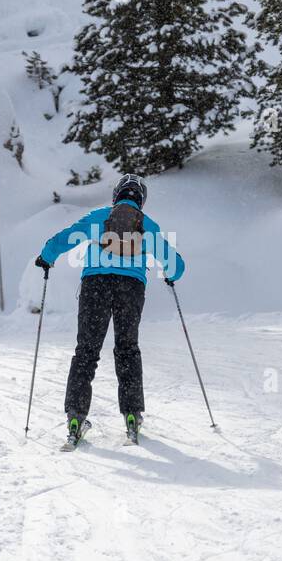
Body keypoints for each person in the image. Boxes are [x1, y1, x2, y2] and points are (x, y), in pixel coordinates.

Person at [34, 174, 185, 447]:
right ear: (141, 200)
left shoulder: (99, 217)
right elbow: (174, 263)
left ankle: (76, 417)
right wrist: (171, 275)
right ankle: (131, 414)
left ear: (116, 195)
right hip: (131, 288)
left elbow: (64, 239)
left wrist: (46, 258)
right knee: (127, 348)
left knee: (86, 351)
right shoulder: (146, 225)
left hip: (95, 286)